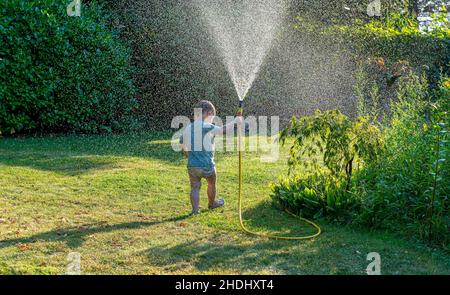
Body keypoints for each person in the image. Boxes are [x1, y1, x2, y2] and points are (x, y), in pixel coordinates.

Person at [180, 100, 243, 215]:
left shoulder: (188, 128)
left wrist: (187, 154)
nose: (212, 119)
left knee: (195, 187)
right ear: (208, 113)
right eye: (212, 116)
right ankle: (212, 202)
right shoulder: (205, 125)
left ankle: (195, 210)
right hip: (207, 164)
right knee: (211, 183)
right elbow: (222, 130)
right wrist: (235, 121)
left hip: (193, 165)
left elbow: (183, 145)